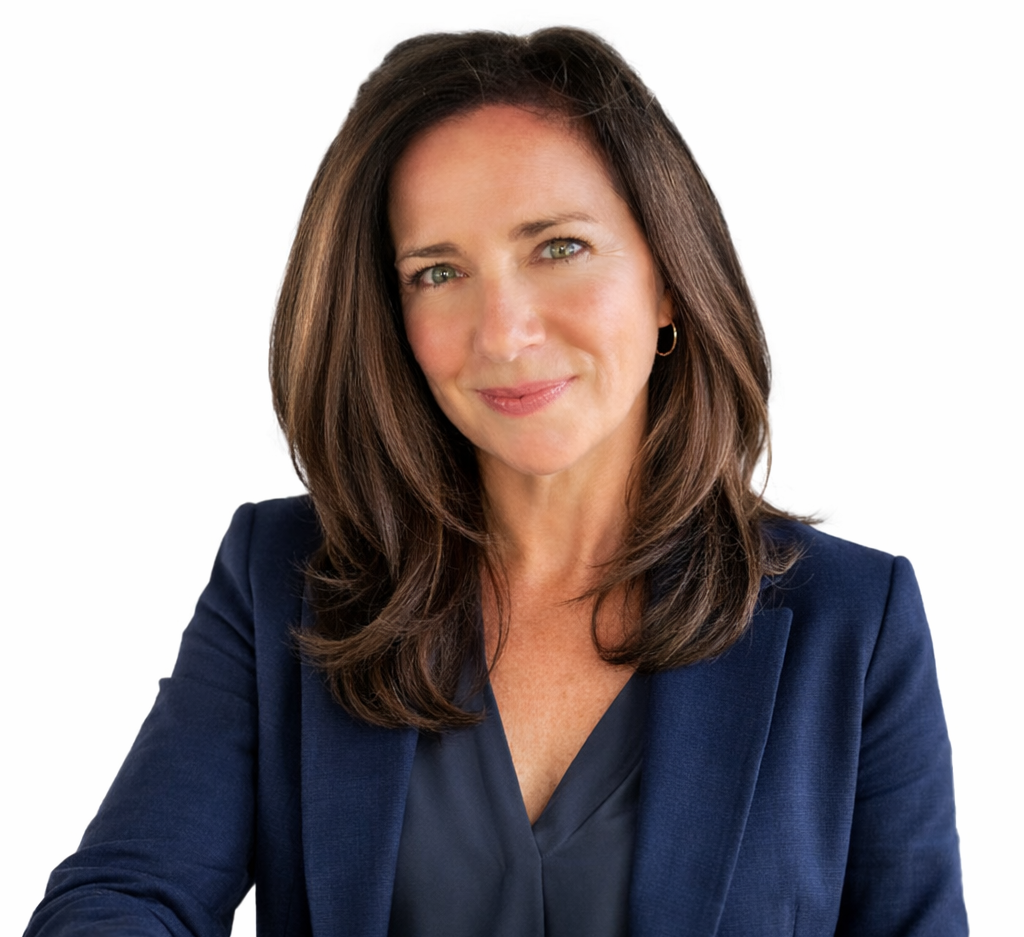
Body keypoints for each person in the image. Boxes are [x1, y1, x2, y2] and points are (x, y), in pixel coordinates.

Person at [25, 27, 967, 937]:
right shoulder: (279, 577)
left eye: (558, 246)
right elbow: (123, 892)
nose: (504, 332)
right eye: (438, 272)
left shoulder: (855, 620)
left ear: (670, 275)